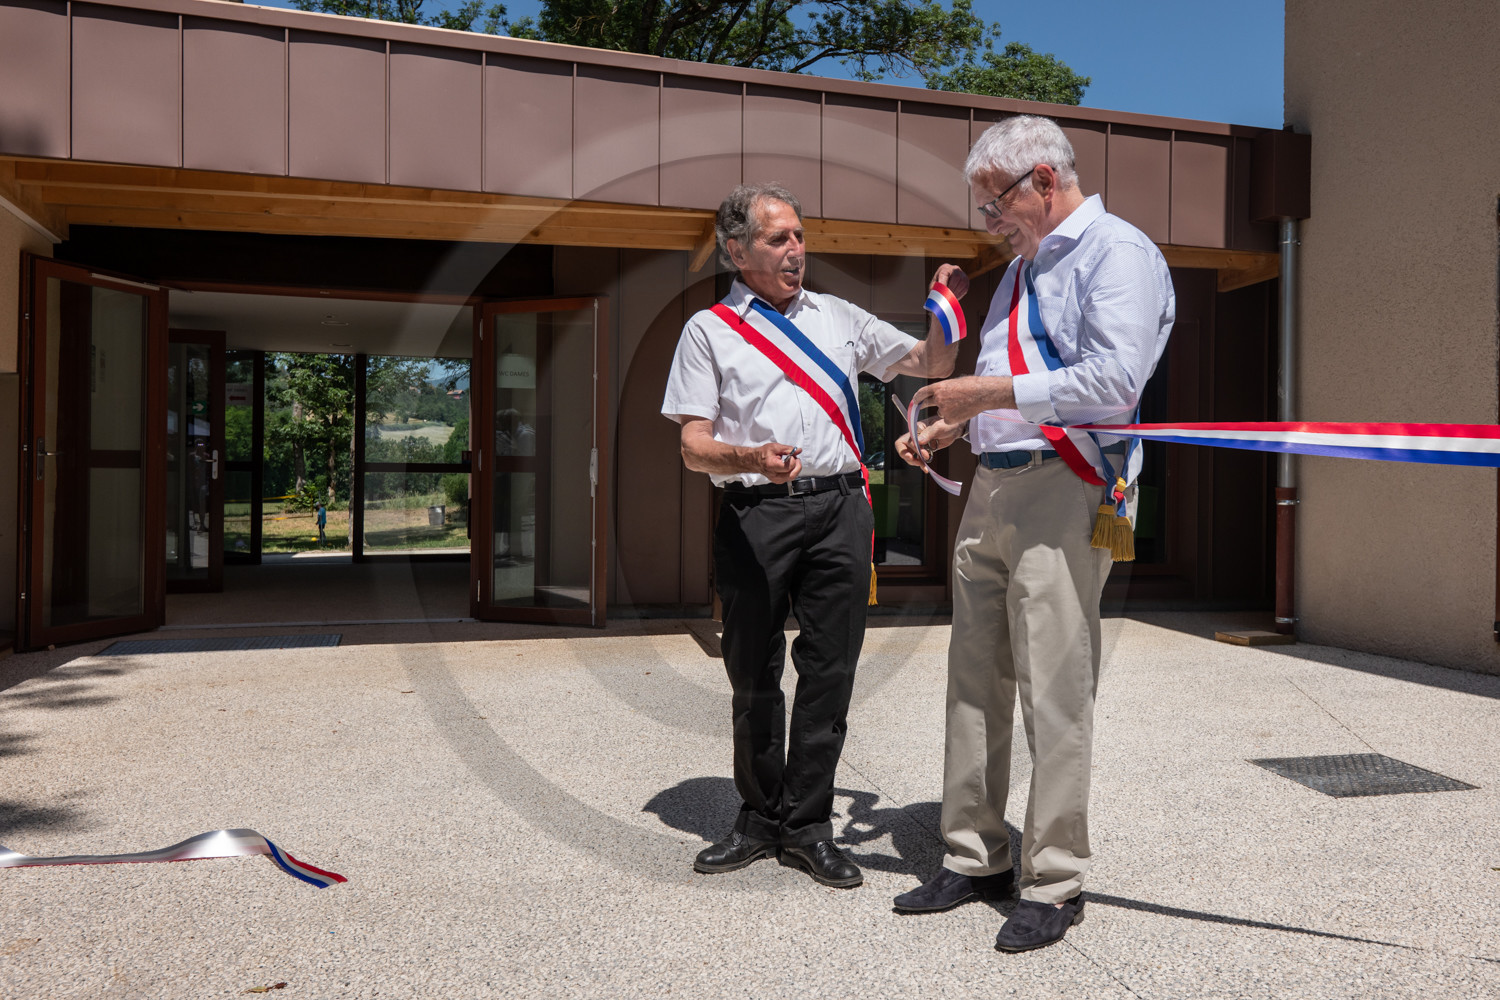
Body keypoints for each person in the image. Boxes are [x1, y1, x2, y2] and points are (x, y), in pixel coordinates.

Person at [892, 115, 1175, 951]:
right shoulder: (1020, 272)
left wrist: (982, 393)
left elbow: (1115, 379)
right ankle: (975, 853)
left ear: (1044, 181)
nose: (990, 224)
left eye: (996, 205)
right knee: (973, 679)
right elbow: (1010, 393)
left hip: (1068, 487)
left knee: (1054, 686)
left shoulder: (1118, 253)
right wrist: (953, 429)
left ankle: (1054, 879)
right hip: (995, 488)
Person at [662, 182, 967, 888]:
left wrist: (945, 310)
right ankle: (759, 817)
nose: (796, 249)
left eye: (799, 235)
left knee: (829, 674)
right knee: (754, 676)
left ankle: (807, 825)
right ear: (738, 251)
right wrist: (747, 460)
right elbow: (692, 446)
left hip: (840, 510)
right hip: (754, 514)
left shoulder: (839, 318)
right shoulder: (708, 331)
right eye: (778, 239)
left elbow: (934, 364)